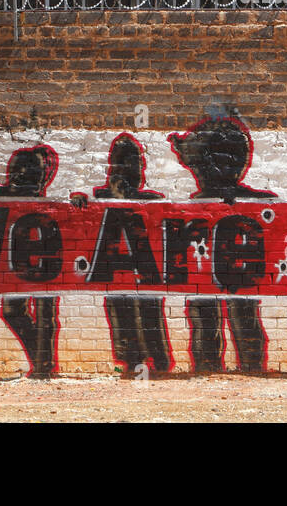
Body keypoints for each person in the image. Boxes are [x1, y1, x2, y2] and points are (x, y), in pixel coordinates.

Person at [169, 116, 272, 372]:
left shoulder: (189, 209)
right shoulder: (260, 202)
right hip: (231, 269)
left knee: (217, 317)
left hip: (222, 268)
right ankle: (243, 369)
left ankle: (215, 369)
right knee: (234, 317)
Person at [86, 133, 173, 377]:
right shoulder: (100, 198)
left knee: (148, 314)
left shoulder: (151, 200)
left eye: (137, 163)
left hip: (146, 273)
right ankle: (134, 361)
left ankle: (157, 361)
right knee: (123, 315)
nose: (135, 169)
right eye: (128, 163)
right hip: (117, 272)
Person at [0, 145, 61, 378]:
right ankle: (42, 361)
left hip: (47, 262)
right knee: (12, 310)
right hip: (17, 265)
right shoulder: (3, 199)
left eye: (34, 171)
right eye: (19, 170)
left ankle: (43, 367)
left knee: (45, 313)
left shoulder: (45, 202)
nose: (24, 176)